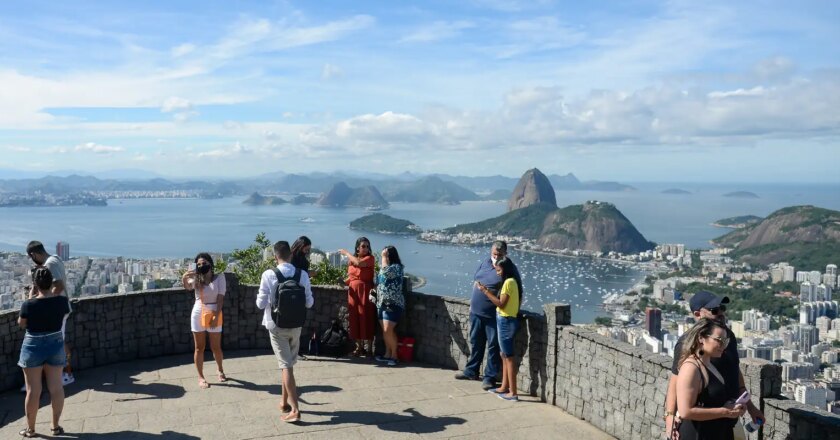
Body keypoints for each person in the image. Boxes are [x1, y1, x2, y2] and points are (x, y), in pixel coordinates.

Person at [664, 291, 764, 439]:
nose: (721, 314)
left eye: (722, 309)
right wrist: (670, 416)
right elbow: (676, 381)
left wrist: (750, 406)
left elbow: (734, 370)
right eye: (715, 311)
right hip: (704, 424)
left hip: (727, 420)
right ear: (698, 314)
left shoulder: (727, 337)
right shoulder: (687, 345)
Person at [257, 240, 314, 423]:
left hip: (276, 326)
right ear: (290, 255)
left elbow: (260, 304)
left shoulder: (269, 274)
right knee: (287, 364)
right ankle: (283, 402)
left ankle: (296, 410)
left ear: (275, 257)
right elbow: (309, 303)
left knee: (285, 366)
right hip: (296, 326)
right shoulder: (302, 274)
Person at [455, 240, 522, 390]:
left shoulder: (508, 269)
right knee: (476, 342)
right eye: (494, 254)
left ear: (505, 254)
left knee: (493, 346)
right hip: (477, 312)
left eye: (499, 254)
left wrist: (513, 312)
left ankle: (490, 377)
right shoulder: (484, 263)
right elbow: (476, 280)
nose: (496, 257)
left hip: (494, 315)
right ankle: (471, 371)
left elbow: (517, 291)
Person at [17, 267, 71, 437]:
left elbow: (22, 324)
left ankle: (31, 430)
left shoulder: (29, 304)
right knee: (56, 387)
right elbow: (62, 313)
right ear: (50, 282)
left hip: (33, 345)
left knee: (33, 390)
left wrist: (30, 298)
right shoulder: (61, 302)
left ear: (35, 284)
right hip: (55, 343)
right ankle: (55, 427)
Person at [674, 318, 746, 439]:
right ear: (701, 338)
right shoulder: (691, 368)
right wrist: (726, 411)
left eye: (726, 341)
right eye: (719, 340)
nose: (723, 345)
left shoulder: (709, 365)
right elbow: (686, 411)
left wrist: (735, 407)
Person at [26, 241, 74, 386]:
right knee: (59, 341)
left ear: (34, 254)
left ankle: (67, 374)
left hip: (57, 309)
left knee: (58, 343)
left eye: (31, 256)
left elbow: (58, 286)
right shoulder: (55, 258)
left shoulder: (50, 264)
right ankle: (65, 372)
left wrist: (44, 299)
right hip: (60, 307)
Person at [476, 257, 522, 401]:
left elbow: (501, 304)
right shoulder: (513, 282)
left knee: (508, 357)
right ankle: (504, 387)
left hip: (505, 321)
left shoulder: (508, 282)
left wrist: (485, 291)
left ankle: (513, 393)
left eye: (499, 270)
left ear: (505, 270)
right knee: (504, 355)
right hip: (507, 320)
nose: (497, 273)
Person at [181, 252, 226, 389]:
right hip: (198, 311)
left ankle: (220, 369)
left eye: (204, 263)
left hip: (214, 312)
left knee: (216, 347)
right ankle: (201, 377)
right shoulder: (196, 278)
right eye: (199, 264)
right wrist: (184, 278)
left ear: (210, 264)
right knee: (199, 347)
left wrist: (216, 316)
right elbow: (188, 287)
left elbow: (220, 298)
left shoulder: (220, 277)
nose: (201, 266)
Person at [339, 237, 376, 357]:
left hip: (365, 291)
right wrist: (343, 282)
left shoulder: (370, 258)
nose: (366, 248)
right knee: (355, 318)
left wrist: (346, 253)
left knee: (367, 317)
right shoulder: (353, 260)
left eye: (367, 246)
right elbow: (352, 277)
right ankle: (359, 347)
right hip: (354, 292)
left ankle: (369, 348)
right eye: (363, 246)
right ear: (358, 248)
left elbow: (359, 263)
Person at [374, 245, 405, 367]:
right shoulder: (383, 267)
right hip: (381, 302)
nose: (383, 257)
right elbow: (378, 281)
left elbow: (387, 272)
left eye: (385, 255)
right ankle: (387, 353)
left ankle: (394, 356)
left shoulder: (396, 267)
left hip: (393, 303)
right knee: (385, 331)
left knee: (388, 330)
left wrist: (383, 258)